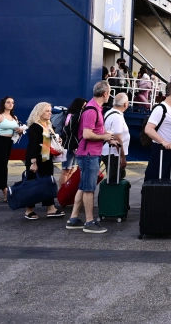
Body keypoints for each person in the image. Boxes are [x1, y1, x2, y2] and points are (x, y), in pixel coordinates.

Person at [65, 81, 119, 234]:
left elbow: (93, 131)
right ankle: (89, 222)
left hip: (88, 153)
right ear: (105, 94)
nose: (109, 95)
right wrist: (105, 137)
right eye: (109, 92)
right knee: (89, 189)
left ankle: (73, 219)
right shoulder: (92, 110)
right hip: (89, 154)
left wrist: (108, 139)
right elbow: (87, 134)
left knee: (83, 187)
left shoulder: (94, 108)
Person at [24, 102, 64, 220]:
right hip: (36, 159)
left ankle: (51, 208)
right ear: (39, 112)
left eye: (50, 111)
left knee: (47, 183)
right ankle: (29, 210)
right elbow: (33, 145)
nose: (50, 113)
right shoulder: (35, 127)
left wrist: (58, 140)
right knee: (32, 184)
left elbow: (49, 141)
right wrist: (33, 163)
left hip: (46, 159)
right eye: (47, 111)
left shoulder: (48, 125)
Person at [144, 82, 171, 189]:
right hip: (162, 151)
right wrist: (163, 141)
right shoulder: (161, 109)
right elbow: (148, 129)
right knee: (159, 181)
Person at [58, 97, 87, 186]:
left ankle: (67, 190)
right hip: (68, 146)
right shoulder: (72, 116)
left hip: (74, 145)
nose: (84, 109)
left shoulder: (75, 116)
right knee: (65, 170)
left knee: (70, 170)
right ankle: (62, 190)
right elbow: (68, 131)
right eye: (83, 106)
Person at [103, 93, 130, 182]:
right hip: (114, 154)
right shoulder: (117, 117)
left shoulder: (109, 112)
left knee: (113, 178)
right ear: (125, 104)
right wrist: (122, 157)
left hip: (110, 152)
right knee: (115, 180)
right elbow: (117, 138)